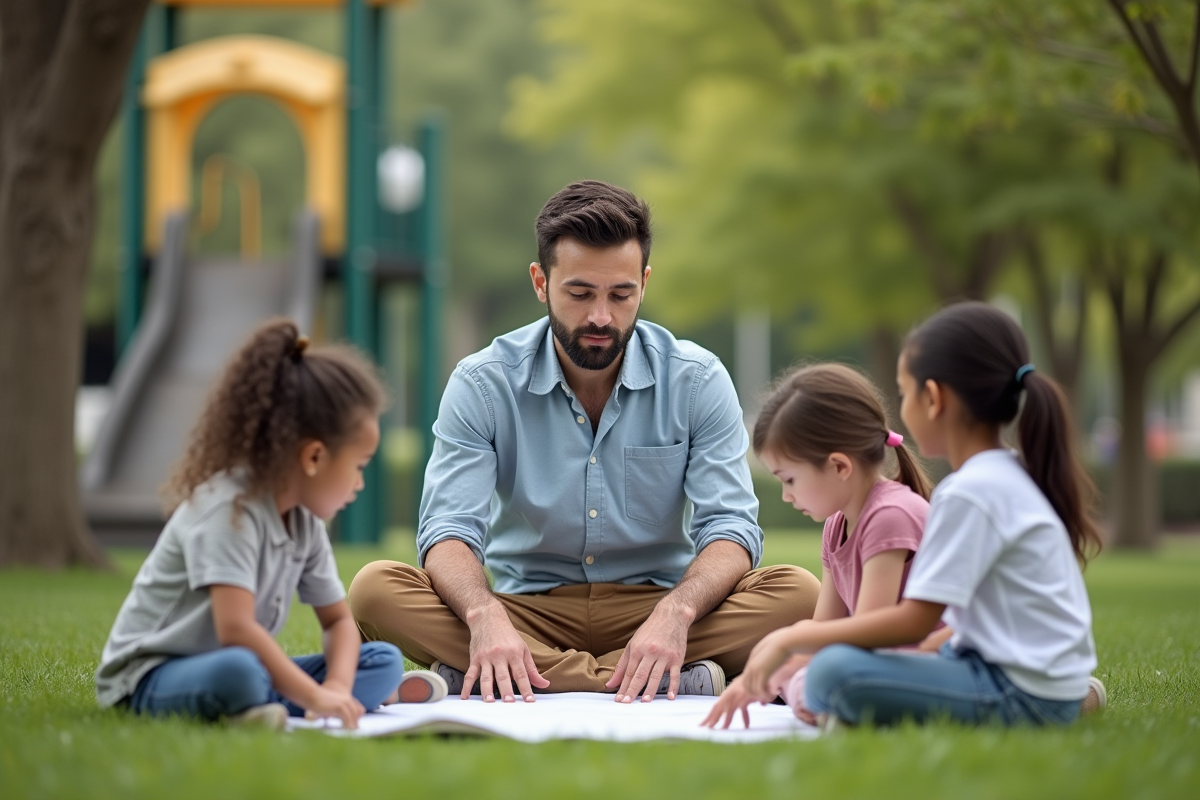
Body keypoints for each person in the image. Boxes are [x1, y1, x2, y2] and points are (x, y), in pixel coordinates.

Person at [349, 180, 821, 704]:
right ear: (540, 282)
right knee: (375, 590)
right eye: (579, 293)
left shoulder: (697, 380)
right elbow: (450, 529)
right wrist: (485, 617)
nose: (601, 316)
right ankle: (657, 676)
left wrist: (676, 614)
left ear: (644, 282)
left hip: (657, 604)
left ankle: (509, 672)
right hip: (527, 608)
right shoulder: (482, 382)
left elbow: (730, 526)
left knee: (799, 595)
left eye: (621, 295)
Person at [716, 302, 1105, 727]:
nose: (900, 409)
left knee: (832, 675)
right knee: (815, 670)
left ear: (934, 398)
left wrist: (791, 639)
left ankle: (845, 703)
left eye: (905, 393)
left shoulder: (970, 491)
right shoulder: (1000, 475)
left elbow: (910, 623)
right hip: (1021, 679)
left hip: (1019, 691)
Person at [95, 320, 446, 731]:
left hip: (240, 661)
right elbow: (237, 629)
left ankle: (272, 706)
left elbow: (336, 621)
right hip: (152, 675)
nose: (360, 483)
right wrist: (316, 693)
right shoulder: (228, 511)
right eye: (358, 466)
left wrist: (334, 682)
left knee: (382, 661)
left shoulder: (304, 520)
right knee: (240, 670)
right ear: (314, 458)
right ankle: (289, 701)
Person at [703, 363, 933, 729]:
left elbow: (871, 634)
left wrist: (791, 647)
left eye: (790, 479)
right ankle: (821, 701)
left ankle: (828, 702)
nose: (786, 495)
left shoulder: (892, 514)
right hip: (873, 659)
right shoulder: (836, 525)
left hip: (918, 662)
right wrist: (768, 670)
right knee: (786, 668)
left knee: (817, 669)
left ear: (839, 466)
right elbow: (824, 629)